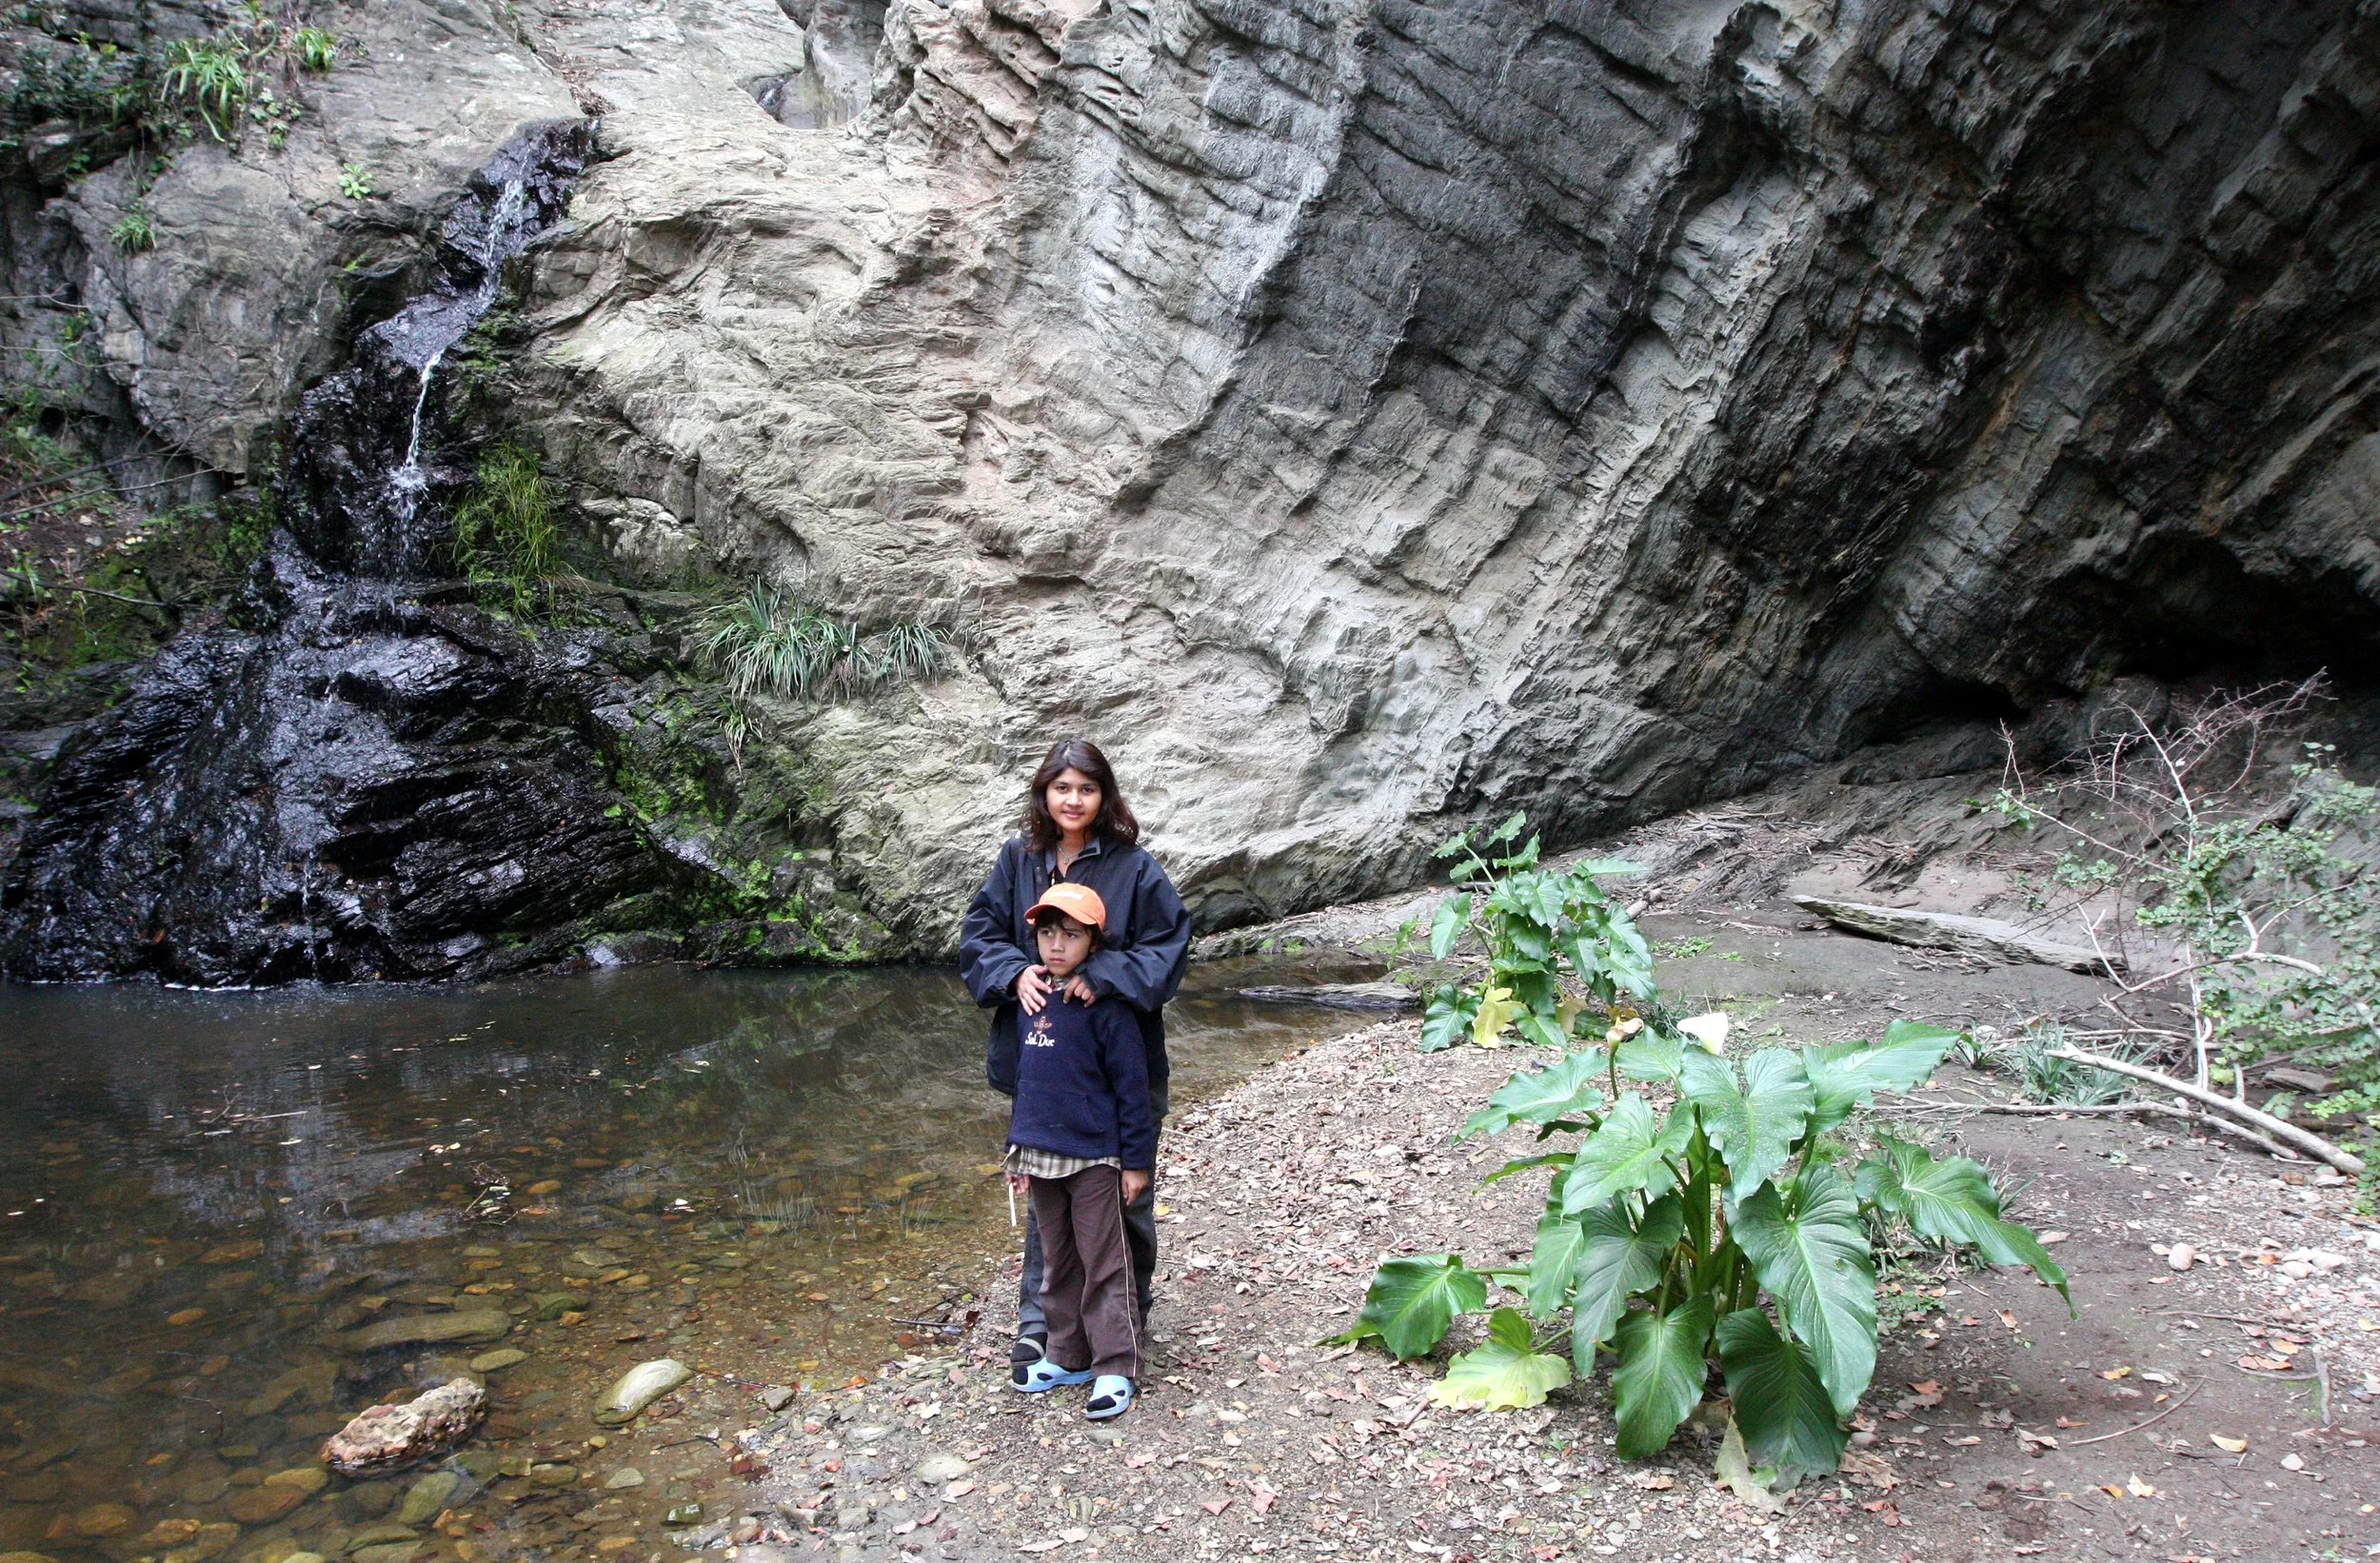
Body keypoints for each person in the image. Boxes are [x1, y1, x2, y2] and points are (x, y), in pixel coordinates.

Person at [960, 737, 1190, 1386]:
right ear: (1044, 794)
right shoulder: (1018, 860)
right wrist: (1014, 972)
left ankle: (1125, 1324)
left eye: (1086, 789)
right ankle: (1045, 1330)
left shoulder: (1133, 868)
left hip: (1121, 1066)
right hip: (1043, 1064)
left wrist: (1106, 972)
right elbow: (978, 934)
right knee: (1049, 1200)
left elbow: (1170, 944)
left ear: (1103, 797)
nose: (1073, 800)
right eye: (1062, 788)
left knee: (1124, 1197)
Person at [999, 882, 1153, 1418]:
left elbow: (1132, 1091)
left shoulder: (1107, 1008)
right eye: (1047, 933)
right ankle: (1067, 1355)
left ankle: (1116, 1364)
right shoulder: (1030, 997)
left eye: (1071, 934)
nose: (1057, 945)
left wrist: (1135, 1163)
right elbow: (1028, 1083)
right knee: (1057, 1260)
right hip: (1042, 1156)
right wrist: (1016, 1152)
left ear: (1093, 941)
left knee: (1104, 1261)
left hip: (1094, 1158)